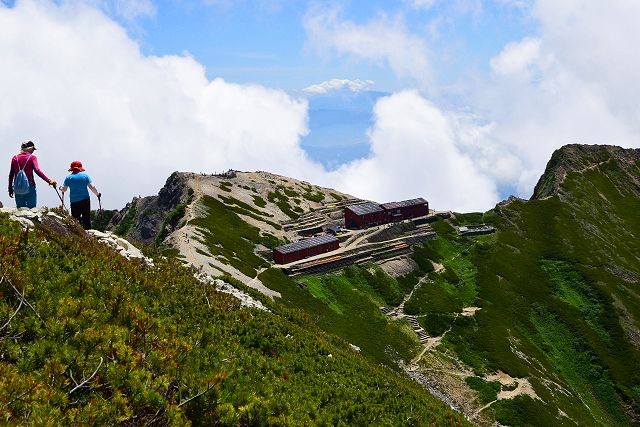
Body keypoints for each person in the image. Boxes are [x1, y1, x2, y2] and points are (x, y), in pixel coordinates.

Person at [8, 141, 57, 208]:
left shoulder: (15, 158)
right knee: (32, 211)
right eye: (33, 149)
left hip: (18, 188)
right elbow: (37, 170)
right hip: (30, 187)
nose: (33, 151)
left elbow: (11, 174)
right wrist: (49, 181)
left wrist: (10, 188)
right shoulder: (32, 157)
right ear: (30, 148)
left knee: (20, 211)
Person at [59, 161, 101, 230]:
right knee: (86, 218)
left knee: (76, 219)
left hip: (74, 201)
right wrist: (97, 194)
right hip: (85, 200)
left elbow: (64, 189)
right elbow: (92, 187)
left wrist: (60, 188)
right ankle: (88, 234)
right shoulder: (85, 176)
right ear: (80, 168)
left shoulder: (68, 178)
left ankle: (78, 234)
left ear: (72, 168)